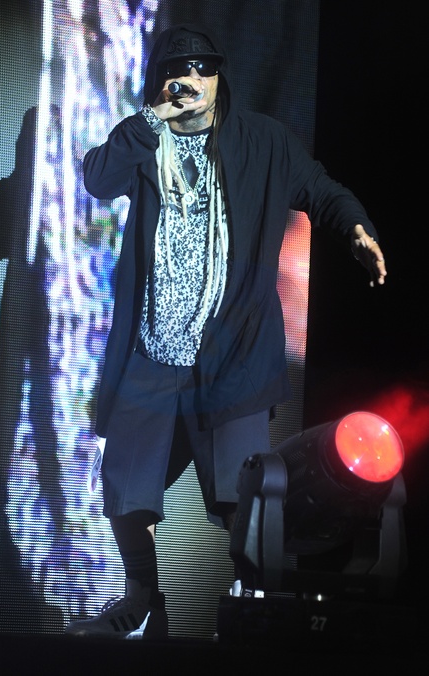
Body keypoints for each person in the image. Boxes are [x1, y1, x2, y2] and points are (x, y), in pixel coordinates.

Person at [65, 23, 387, 639]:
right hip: (152, 356)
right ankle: (142, 598)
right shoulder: (144, 141)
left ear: (219, 78)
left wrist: (355, 227)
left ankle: (251, 607)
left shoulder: (261, 141)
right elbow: (99, 179)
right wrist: (152, 119)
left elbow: (320, 189)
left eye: (203, 68)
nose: (192, 79)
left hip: (232, 354)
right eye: (178, 69)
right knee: (126, 494)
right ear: (159, 80)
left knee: (245, 498)